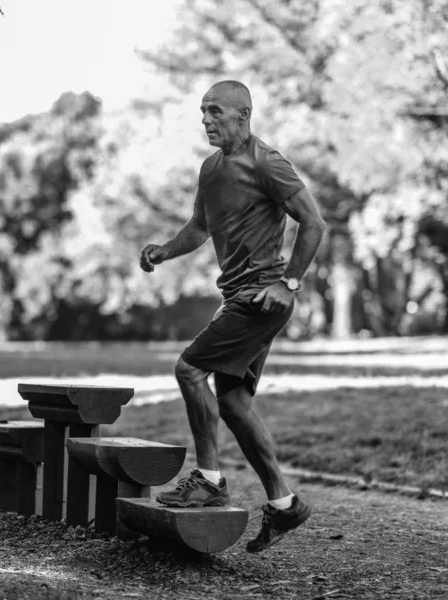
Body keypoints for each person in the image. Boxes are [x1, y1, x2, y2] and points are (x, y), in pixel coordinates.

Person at [139, 80, 326, 553]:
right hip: (239, 298)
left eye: (216, 112)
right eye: (203, 112)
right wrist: (163, 252)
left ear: (243, 114)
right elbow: (200, 228)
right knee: (235, 404)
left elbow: (315, 222)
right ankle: (285, 506)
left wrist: (289, 284)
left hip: (260, 299)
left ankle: (207, 481)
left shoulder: (268, 163)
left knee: (188, 369)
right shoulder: (210, 168)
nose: (206, 120)